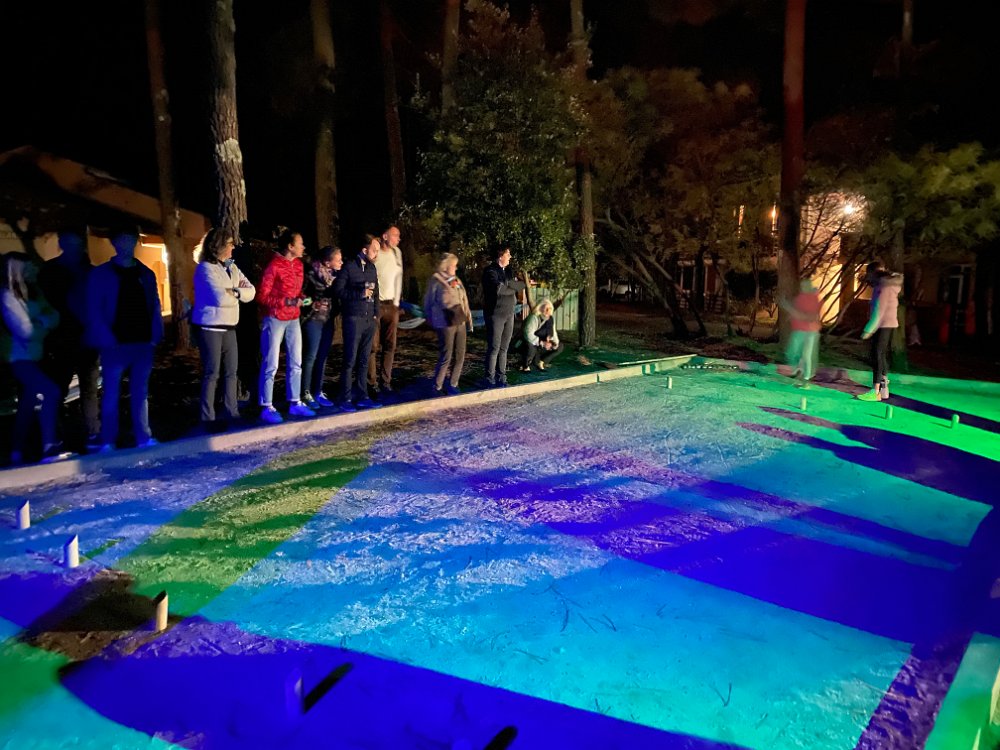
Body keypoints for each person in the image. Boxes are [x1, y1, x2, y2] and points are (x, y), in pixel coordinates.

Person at [87, 227, 163, 451]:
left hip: (142, 342)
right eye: (122, 240)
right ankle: (108, 439)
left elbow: (154, 304)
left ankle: (143, 437)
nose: (126, 245)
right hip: (115, 343)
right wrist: (105, 337)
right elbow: (94, 309)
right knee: (111, 392)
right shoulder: (101, 274)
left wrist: (155, 335)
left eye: (130, 240)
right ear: (114, 243)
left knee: (140, 392)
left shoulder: (145, 273)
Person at [1, 251, 69, 463]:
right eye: (28, 267)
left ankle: (16, 452)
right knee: (51, 391)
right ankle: (49, 446)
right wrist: (42, 323)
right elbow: (25, 331)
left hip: (34, 355)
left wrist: (40, 323)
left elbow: (54, 316)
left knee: (27, 403)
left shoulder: (34, 292)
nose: (34, 270)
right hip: (18, 357)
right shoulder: (7, 296)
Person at [38, 230, 100, 448]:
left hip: (85, 339)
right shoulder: (51, 272)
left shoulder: (89, 271)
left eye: (76, 243)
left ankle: (91, 432)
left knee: (88, 388)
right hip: (62, 339)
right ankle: (53, 437)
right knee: (59, 389)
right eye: (69, 243)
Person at [191, 228, 256, 429]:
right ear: (218, 245)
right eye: (229, 243)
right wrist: (238, 293)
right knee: (212, 373)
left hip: (229, 326)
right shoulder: (205, 269)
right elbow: (218, 298)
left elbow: (251, 291)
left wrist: (234, 292)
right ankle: (207, 417)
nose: (233, 247)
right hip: (210, 328)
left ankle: (231, 412)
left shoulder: (232, 267)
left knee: (231, 372)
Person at [257, 229, 315, 424]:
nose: (303, 247)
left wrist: (302, 299)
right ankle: (266, 405)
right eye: (300, 243)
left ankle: (295, 402)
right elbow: (262, 296)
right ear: (290, 246)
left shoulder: (298, 265)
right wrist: (287, 302)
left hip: (293, 318)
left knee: (296, 361)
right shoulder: (274, 266)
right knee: (271, 363)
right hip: (275, 318)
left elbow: (296, 293)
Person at [334, 234, 382, 411]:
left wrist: (376, 314)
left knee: (364, 359)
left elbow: (376, 292)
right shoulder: (349, 267)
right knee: (350, 359)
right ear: (364, 250)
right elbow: (338, 291)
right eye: (374, 250)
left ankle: (363, 395)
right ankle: (345, 397)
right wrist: (359, 294)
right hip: (353, 319)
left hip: (369, 320)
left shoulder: (372, 268)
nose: (376, 254)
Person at [424, 252, 473, 395]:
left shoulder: (456, 280)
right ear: (446, 266)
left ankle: (453, 383)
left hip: (460, 320)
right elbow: (428, 302)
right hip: (445, 322)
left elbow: (464, 300)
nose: (456, 268)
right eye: (453, 265)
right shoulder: (436, 280)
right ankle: (437, 385)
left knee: (460, 354)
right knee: (446, 354)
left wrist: (468, 317)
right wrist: (431, 318)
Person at [301, 245, 342, 409]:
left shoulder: (336, 277)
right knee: (310, 356)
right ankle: (305, 392)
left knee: (323, 356)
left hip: (328, 320)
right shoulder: (311, 275)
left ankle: (318, 390)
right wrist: (311, 303)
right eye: (338, 260)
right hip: (314, 319)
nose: (341, 263)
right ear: (327, 262)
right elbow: (302, 297)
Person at [858, 261, 904, 402]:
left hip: (882, 324)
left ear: (873, 273)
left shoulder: (883, 286)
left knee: (877, 355)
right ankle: (883, 389)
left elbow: (880, 309)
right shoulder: (888, 284)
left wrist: (868, 329)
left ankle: (875, 391)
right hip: (887, 324)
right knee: (881, 355)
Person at [482, 247, 526, 387]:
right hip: (496, 315)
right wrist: (511, 287)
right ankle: (489, 379)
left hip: (509, 314)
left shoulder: (508, 271)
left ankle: (502, 377)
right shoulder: (490, 271)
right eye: (508, 254)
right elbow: (498, 289)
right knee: (494, 347)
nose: (510, 256)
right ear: (500, 256)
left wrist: (508, 285)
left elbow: (521, 285)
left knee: (504, 348)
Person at [367, 225, 403, 395]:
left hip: (392, 305)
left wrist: (397, 302)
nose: (398, 239)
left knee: (390, 345)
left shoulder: (397, 253)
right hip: (376, 304)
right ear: (385, 236)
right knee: (373, 346)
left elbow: (399, 277)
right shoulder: (376, 252)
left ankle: (385, 381)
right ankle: (371, 382)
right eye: (395, 235)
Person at [780, 278, 822, 387]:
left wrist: (788, 307)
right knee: (791, 352)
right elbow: (798, 310)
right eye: (802, 286)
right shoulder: (801, 297)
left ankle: (806, 379)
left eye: (805, 286)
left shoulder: (813, 299)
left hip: (810, 331)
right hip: (799, 330)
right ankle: (797, 370)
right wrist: (791, 315)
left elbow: (808, 316)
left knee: (806, 355)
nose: (802, 288)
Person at [521, 298, 563, 371]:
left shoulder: (550, 319)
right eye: (546, 308)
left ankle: (542, 362)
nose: (548, 310)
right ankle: (525, 365)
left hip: (543, 344)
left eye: (550, 308)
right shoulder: (533, 317)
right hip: (533, 343)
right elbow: (528, 334)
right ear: (540, 307)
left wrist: (555, 343)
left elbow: (553, 332)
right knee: (530, 346)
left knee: (560, 346)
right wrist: (542, 343)